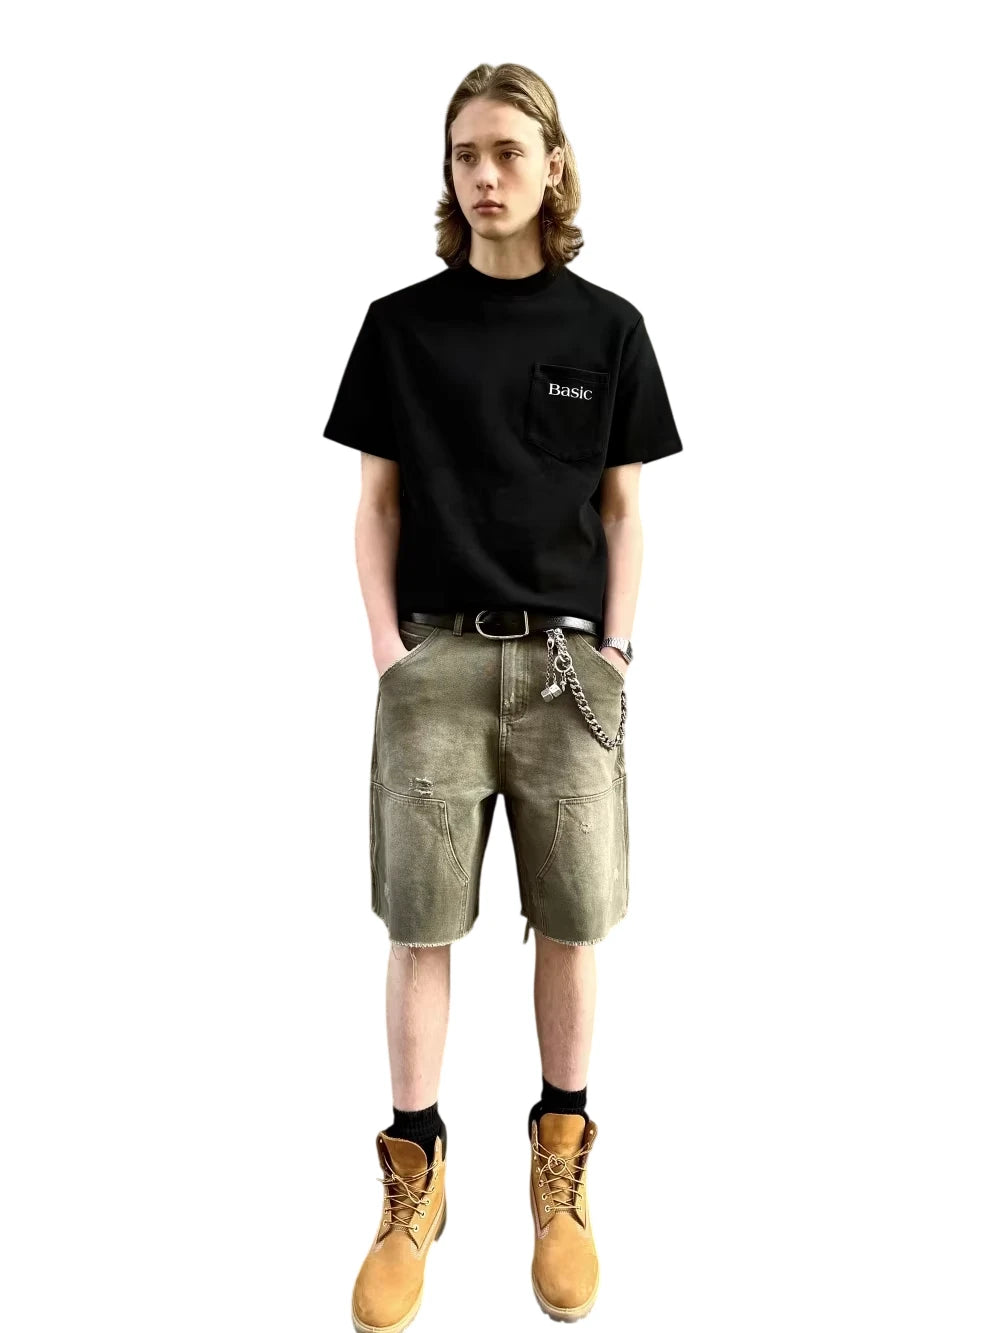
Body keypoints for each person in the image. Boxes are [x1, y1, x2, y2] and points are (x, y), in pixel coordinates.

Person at [323, 62, 683, 1332]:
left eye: (509, 153)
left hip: (570, 672)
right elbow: (374, 505)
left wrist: (618, 651)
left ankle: (561, 1174)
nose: (485, 176)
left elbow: (624, 510)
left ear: (553, 166)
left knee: (572, 919)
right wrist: (391, 652)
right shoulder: (399, 327)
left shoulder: (609, 330)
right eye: (465, 154)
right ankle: (413, 1182)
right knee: (418, 924)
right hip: (434, 662)